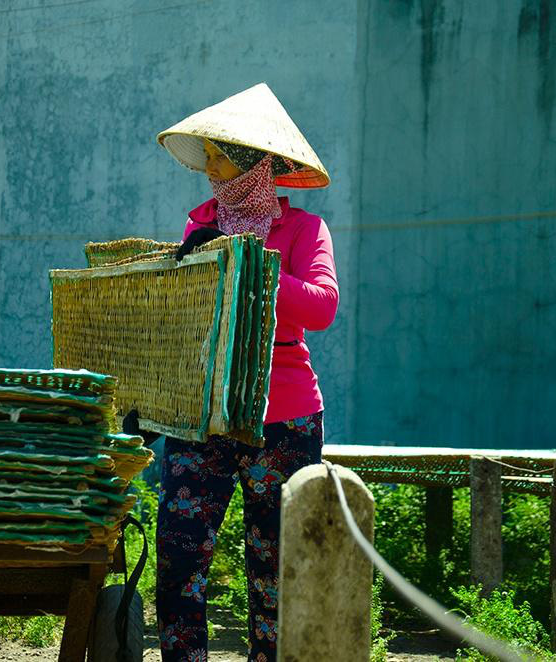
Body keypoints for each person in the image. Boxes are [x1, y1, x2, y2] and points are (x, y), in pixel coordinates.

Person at [137, 83, 338, 662]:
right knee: (178, 563)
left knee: (276, 569)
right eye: (208, 156)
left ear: (254, 163)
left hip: (286, 419)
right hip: (204, 415)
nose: (210, 169)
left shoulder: (304, 231)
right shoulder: (198, 227)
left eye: (221, 156)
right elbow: (191, 320)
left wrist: (246, 259)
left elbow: (322, 306)